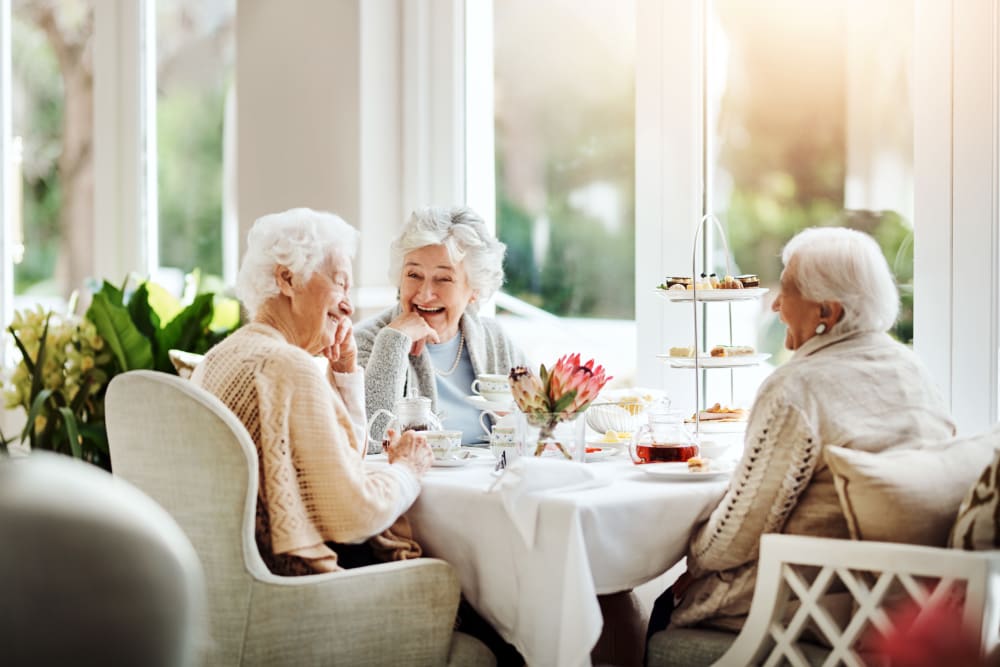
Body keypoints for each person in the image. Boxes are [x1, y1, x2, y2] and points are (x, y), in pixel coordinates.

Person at [648, 226, 956, 638]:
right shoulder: (911, 369)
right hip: (902, 605)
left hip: (805, 604)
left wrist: (692, 562)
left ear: (827, 313)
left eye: (788, 289)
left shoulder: (796, 388)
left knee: (648, 604)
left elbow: (735, 537)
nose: (775, 304)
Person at [191, 207, 433, 575]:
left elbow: (341, 462)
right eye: (340, 283)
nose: (349, 306)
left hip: (230, 580)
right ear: (287, 280)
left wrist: (345, 370)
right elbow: (355, 514)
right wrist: (406, 470)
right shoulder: (288, 367)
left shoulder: (218, 358)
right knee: (452, 582)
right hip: (295, 586)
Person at [356, 206, 527, 447]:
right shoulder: (366, 340)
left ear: (474, 290)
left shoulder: (494, 339)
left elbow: (540, 423)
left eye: (443, 279)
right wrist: (393, 342)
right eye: (413, 275)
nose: (424, 294)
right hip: (413, 483)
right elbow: (368, 441)